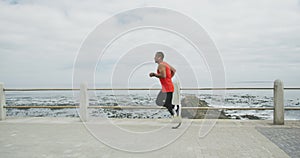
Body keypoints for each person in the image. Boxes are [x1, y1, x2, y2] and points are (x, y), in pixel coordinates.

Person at [149, 51, 179, 117]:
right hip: (166, 87)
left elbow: (163, 75)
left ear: (159, 57)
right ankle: (174, 108)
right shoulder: (165, 64)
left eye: (155, 56)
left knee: (165, 103)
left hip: (168, 88)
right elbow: (173, 70)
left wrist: (154, 74)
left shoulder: (161, 65)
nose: (154, 58)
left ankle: (175, 113)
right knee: (159, 102)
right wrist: (169, 78)